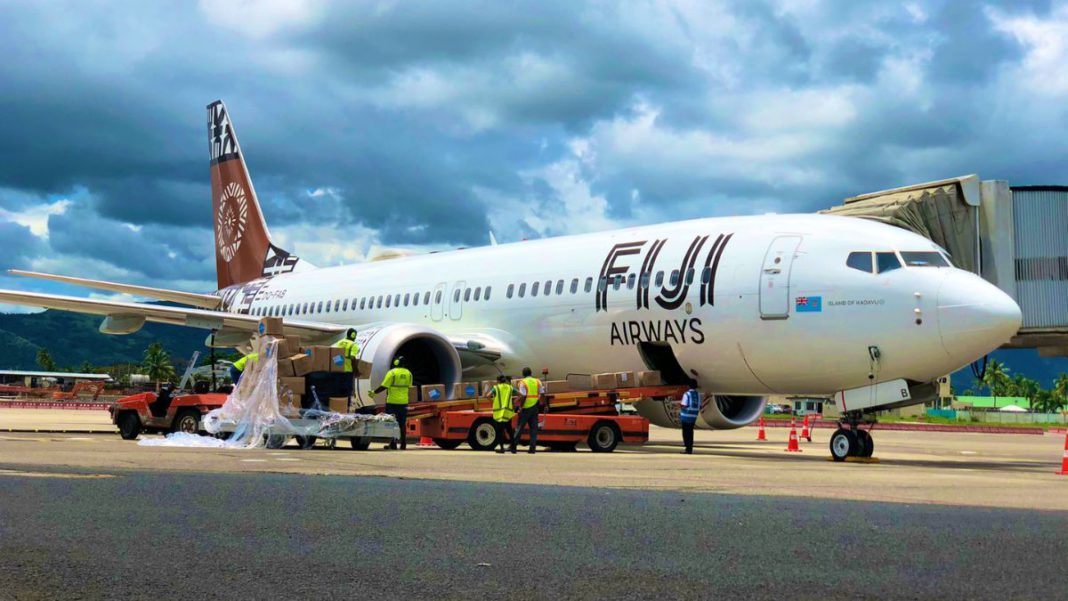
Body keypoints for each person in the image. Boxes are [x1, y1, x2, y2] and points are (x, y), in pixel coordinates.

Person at [374, 356, 412, 450]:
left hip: (392, 402)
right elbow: (409, 386)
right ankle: (403, 444)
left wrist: (374, 392)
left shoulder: (392, 373)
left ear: (396, 362)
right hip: (404, 402)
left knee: (392, 423)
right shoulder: (409, 373)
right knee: (402, 423)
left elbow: (384, 386)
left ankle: (393, 444)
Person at [511, 367, 545, 454]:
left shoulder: (522, 382)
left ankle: (513, 447)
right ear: (531, 373)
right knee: (533, 429)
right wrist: (543, 404)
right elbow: (542, 394)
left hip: (526, 408)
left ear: (523, 374)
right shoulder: (537, 381)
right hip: (535, 407)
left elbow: (523, 396)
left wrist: (521, 407)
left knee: (519, 428)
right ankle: (532, 448)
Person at [485, 374, 517, 454]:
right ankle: (513, 448)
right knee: (510, 430)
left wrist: (494, 401)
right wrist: (514, 402)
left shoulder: (496, 388)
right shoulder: (510, 387)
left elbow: (487, 396)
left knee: (500, 431)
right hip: (507, 412)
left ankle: (502, 448)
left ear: (498, 381)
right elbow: (521, 395)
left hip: (499, 413)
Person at [334, 328, 360, 402]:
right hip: (347, 371)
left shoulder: (339, 342)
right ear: (353, 335)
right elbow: (352, 357)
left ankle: (337, 404)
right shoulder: (353, 345)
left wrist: (338, 365)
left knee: (337, 389)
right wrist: (356, 370)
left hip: (337, 370)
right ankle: (346, 405)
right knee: (347, 391)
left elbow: (334, 354)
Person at [679, 379, 701, 454]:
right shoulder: (698, 395)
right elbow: (699, 406)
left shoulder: (687, 394)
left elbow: (684, 405)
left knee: (685, 433)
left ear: (688, 386)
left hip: (685, 417)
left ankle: (687, 448)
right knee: (690, 433)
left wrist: (679, 405)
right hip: (693, 417)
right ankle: (690, 448)